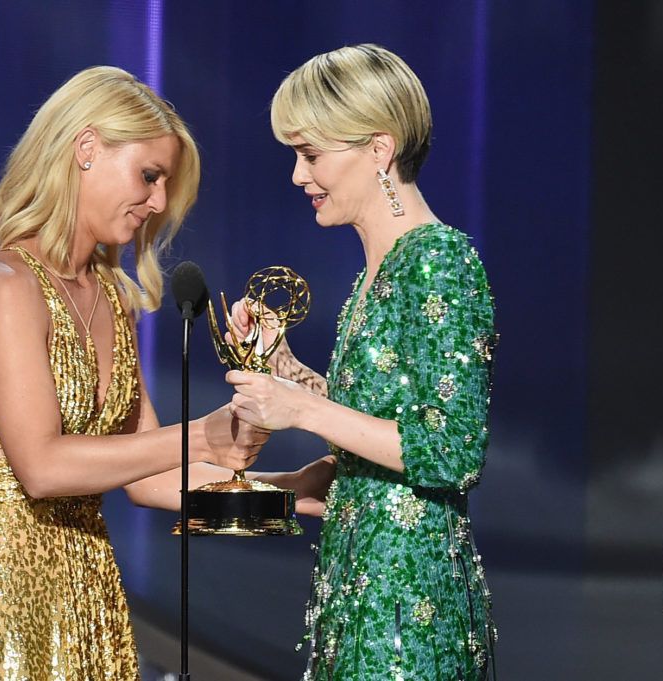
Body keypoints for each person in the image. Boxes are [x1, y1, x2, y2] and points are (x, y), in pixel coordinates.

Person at [0, 66, 271, 680]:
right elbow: (42, 469)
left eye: (165, 186)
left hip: (91, 609)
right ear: (87, 148)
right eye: (149, 176)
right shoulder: (4, 285)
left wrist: (296, 499)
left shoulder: (113, 296)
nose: (157, 202)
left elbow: (148, 479)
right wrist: (203, 435)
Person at [225, 45, 498, 679]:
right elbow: (378, 420)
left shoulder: (438, 262)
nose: (298, 176)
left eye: (312, 155)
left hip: (406, 610)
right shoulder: (379, 271)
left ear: (379, 150)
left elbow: (452, 450)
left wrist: (300, 408)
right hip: (359, 587)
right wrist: (287, 366)